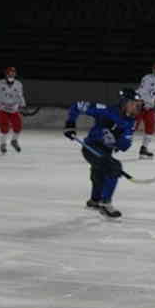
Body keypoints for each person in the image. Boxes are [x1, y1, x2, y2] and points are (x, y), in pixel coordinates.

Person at [63, 88, 142, 218]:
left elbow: (125, 145)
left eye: (138, 105)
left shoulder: (131, 122)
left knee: (99, 173)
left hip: (106, 151)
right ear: (124, 102)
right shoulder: (105, 110)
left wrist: (117, 139)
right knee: (114, 167)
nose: (136, 108)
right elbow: (77, 106)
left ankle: (94, 200)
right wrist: (70, 123)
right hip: (91, 147)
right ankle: (105, 204)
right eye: (134, 104)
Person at [0, 66, 26, 154]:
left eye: (13, 73)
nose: (11, 74)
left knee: (18, 125)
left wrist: (22, 105)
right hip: (1, 108)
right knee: (4, 126)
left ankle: (14, 141)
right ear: (6, 74)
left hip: (13, 109)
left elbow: (20, 96)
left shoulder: (18, 84)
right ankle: (3, 144)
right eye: (10, 73)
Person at [136, 61, 155, 159]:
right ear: (153, 69)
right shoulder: (147, 78)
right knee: (132, 127)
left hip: (149, 108)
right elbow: (142, 92)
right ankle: (112, 144)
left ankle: (144, 148)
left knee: (150, 127)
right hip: (140, 105)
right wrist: (141, 103)